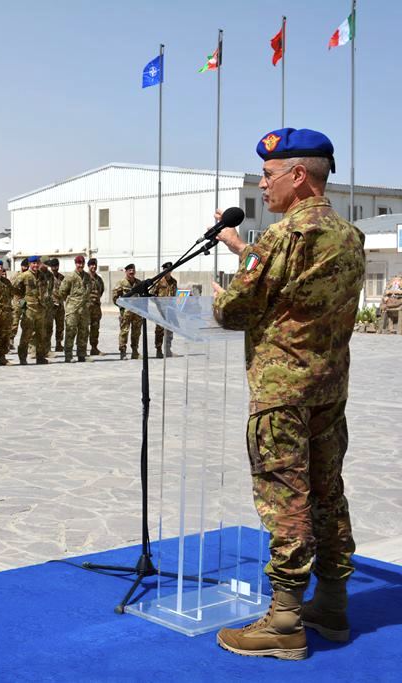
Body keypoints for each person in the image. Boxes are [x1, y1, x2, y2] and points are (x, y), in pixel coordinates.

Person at [211, 128, 365, 661]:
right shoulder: (349, 235)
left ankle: (284, 620)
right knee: (326, 489)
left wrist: (226, 288)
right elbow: (294, 293)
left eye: (269, 175)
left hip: (282, 390)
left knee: (286, 497)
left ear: (298, 176)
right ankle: (333, 602)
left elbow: (235, 310)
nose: (263, 184)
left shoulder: (283, 237)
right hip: (328, 387)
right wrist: (243, 251)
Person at [11, 255, 48, 365]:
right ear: (29, 264)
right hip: (29, 309)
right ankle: (23, 357)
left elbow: (45, 289)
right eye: (33, 263)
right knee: (27, 334)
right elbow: (13, 288)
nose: (35, 265)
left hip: (40, 309)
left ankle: (40, 357)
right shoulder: (24, 276)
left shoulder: (42, 276)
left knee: (41, 335)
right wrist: (21, 300)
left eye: (37, 263)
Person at [57, 255, 90, 362]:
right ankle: (68, 355)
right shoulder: (70, 277)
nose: (80, 265)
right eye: (78, 263)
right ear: (75, 264)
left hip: (84, 310)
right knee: (70, 332)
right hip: (72, 310)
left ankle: (81, 354)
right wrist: (70, 303)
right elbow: (62, 292)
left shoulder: (87, 277)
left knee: (84, 332)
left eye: (82, 263)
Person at [112, 263, 142, 360]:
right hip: (126, 313)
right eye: (129, 270)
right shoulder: (121, 283)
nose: (131, 272)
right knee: (124, 332)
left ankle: (135, 351)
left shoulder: (139, 283)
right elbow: (115, 297)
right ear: (126, 272)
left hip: (137, 313)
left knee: (136, 332)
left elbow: (142, 296)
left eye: (133, 270)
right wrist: (121, 307)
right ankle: (123, 352)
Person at [152, 263, 178, 358]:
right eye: (165, 269)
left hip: (170, 310)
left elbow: (174, 295)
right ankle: (158, 350)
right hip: (160, 310)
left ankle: (168, 350)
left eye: (168, 269)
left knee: (170, 330)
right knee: (159, 330)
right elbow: (152, 295)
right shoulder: (158, 281)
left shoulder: (174, 282)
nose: (166, 271)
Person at [86, 258, 105, 356]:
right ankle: (82, 349)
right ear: (88, 266)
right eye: (91, 265)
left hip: (96, 308)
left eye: (95, 265)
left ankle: (94, 348)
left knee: (95, 329)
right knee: (84, 329)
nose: (93, 266)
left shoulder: (99, 279)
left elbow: (101, 291)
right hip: (86, 308)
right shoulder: (85, 277)